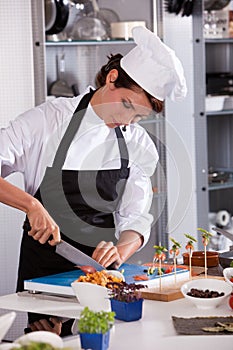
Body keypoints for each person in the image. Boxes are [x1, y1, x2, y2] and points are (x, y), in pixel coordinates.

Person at [0, 26, 187, 335]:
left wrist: (122, 250)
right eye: (127, 105)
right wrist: (31, 205)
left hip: (100, 282)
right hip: (44, 279)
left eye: (138, 117)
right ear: (112, 78)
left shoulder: (138, 146)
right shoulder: (49, 121)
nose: (127, 121)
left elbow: (136, 217)